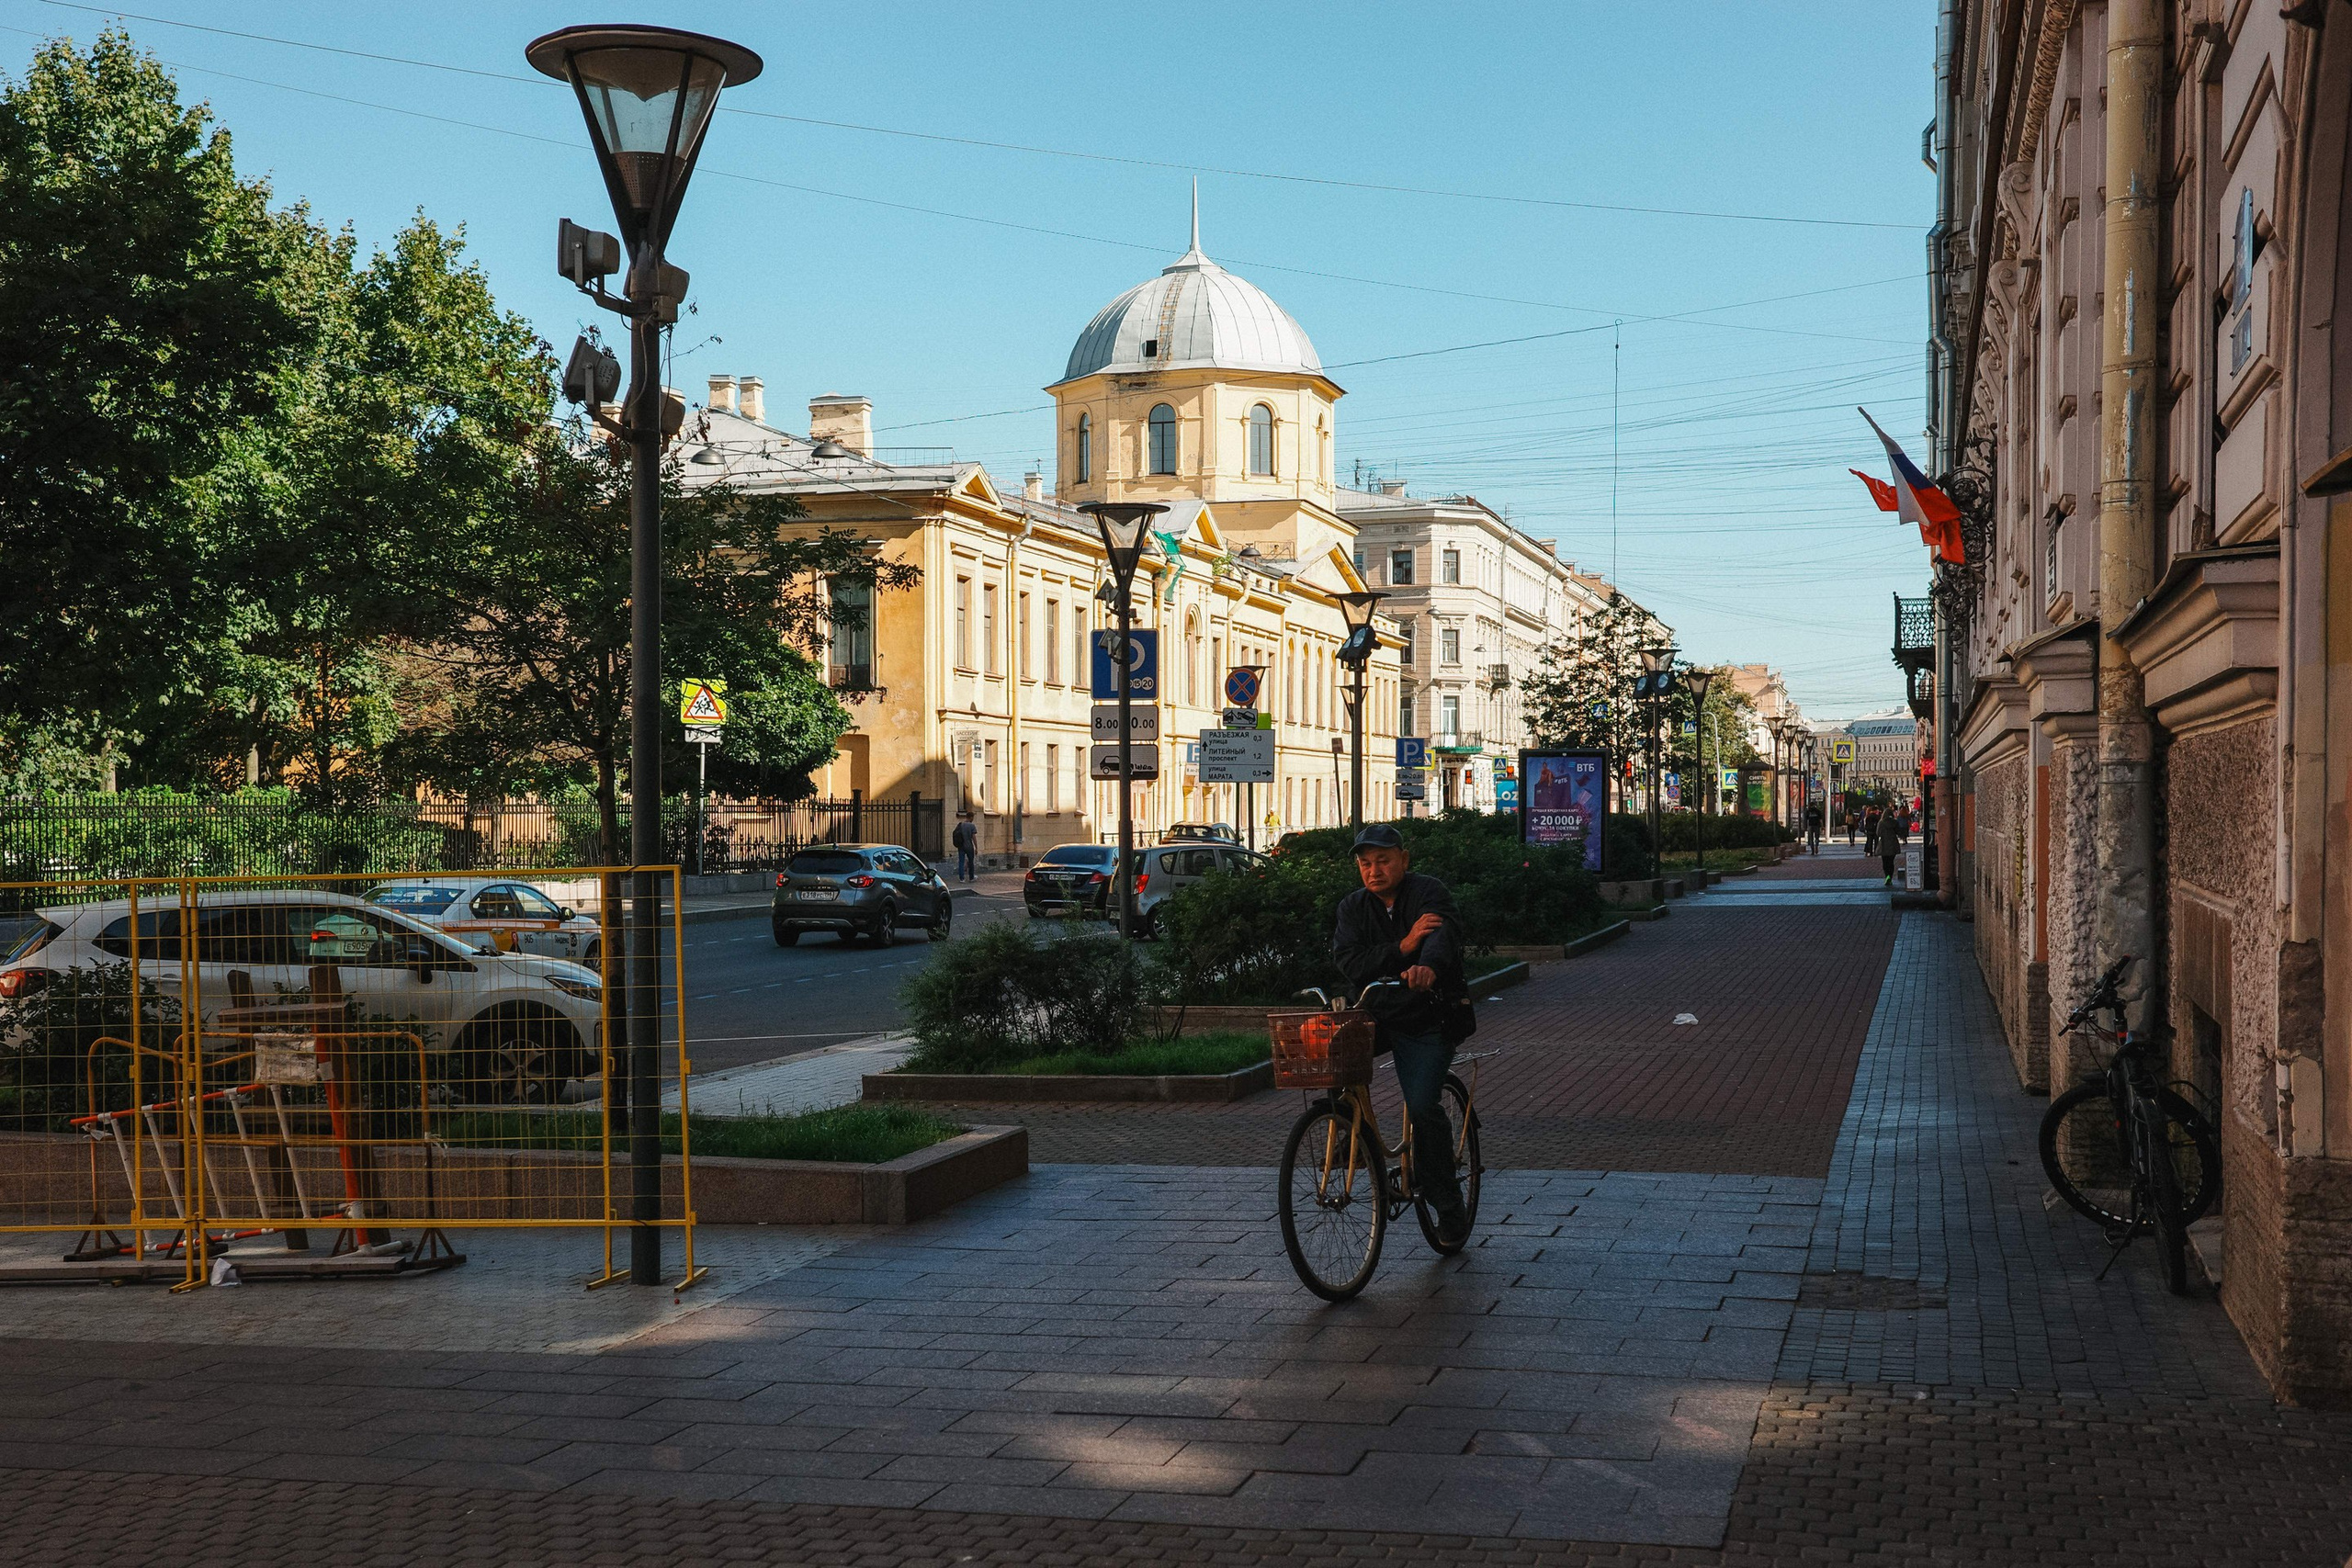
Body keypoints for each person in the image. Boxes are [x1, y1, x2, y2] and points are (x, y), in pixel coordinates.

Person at [1331, 824, 1471, 1243]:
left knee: (1423, 1103)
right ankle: (1355, 1138)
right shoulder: (1353, 907)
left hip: (1428, 1017)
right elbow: (1351, 962)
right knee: (1330, 1057)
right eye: (1365, 863)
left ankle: (1448, 1206)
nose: (1374, 870)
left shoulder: (1428, 892)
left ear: (1404, 861)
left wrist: (1427, 965)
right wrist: (1404, 948)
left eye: (1384, 861)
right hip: (1377, 1013)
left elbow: (1442, 936)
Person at [1874, 807, 1904, 886]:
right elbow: (1899, 832)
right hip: (1893, 843)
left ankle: (1887, 876)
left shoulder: (1881, 822)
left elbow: (1878, 833)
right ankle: (1890, 876)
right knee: (1891, 862)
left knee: (1885, 862)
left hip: (1884, 844)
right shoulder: (1895, 822)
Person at [951, 810, 978, 882]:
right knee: (971, 861)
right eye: (973, 817)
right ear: (971, 817)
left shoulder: (960, 824)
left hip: (961, 846)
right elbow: (974, 837)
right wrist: (976, 847)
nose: (973, 819)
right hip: (969, 846)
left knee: (961, 862)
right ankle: (971, 877)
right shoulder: (972, 826)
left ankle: (962, 878)